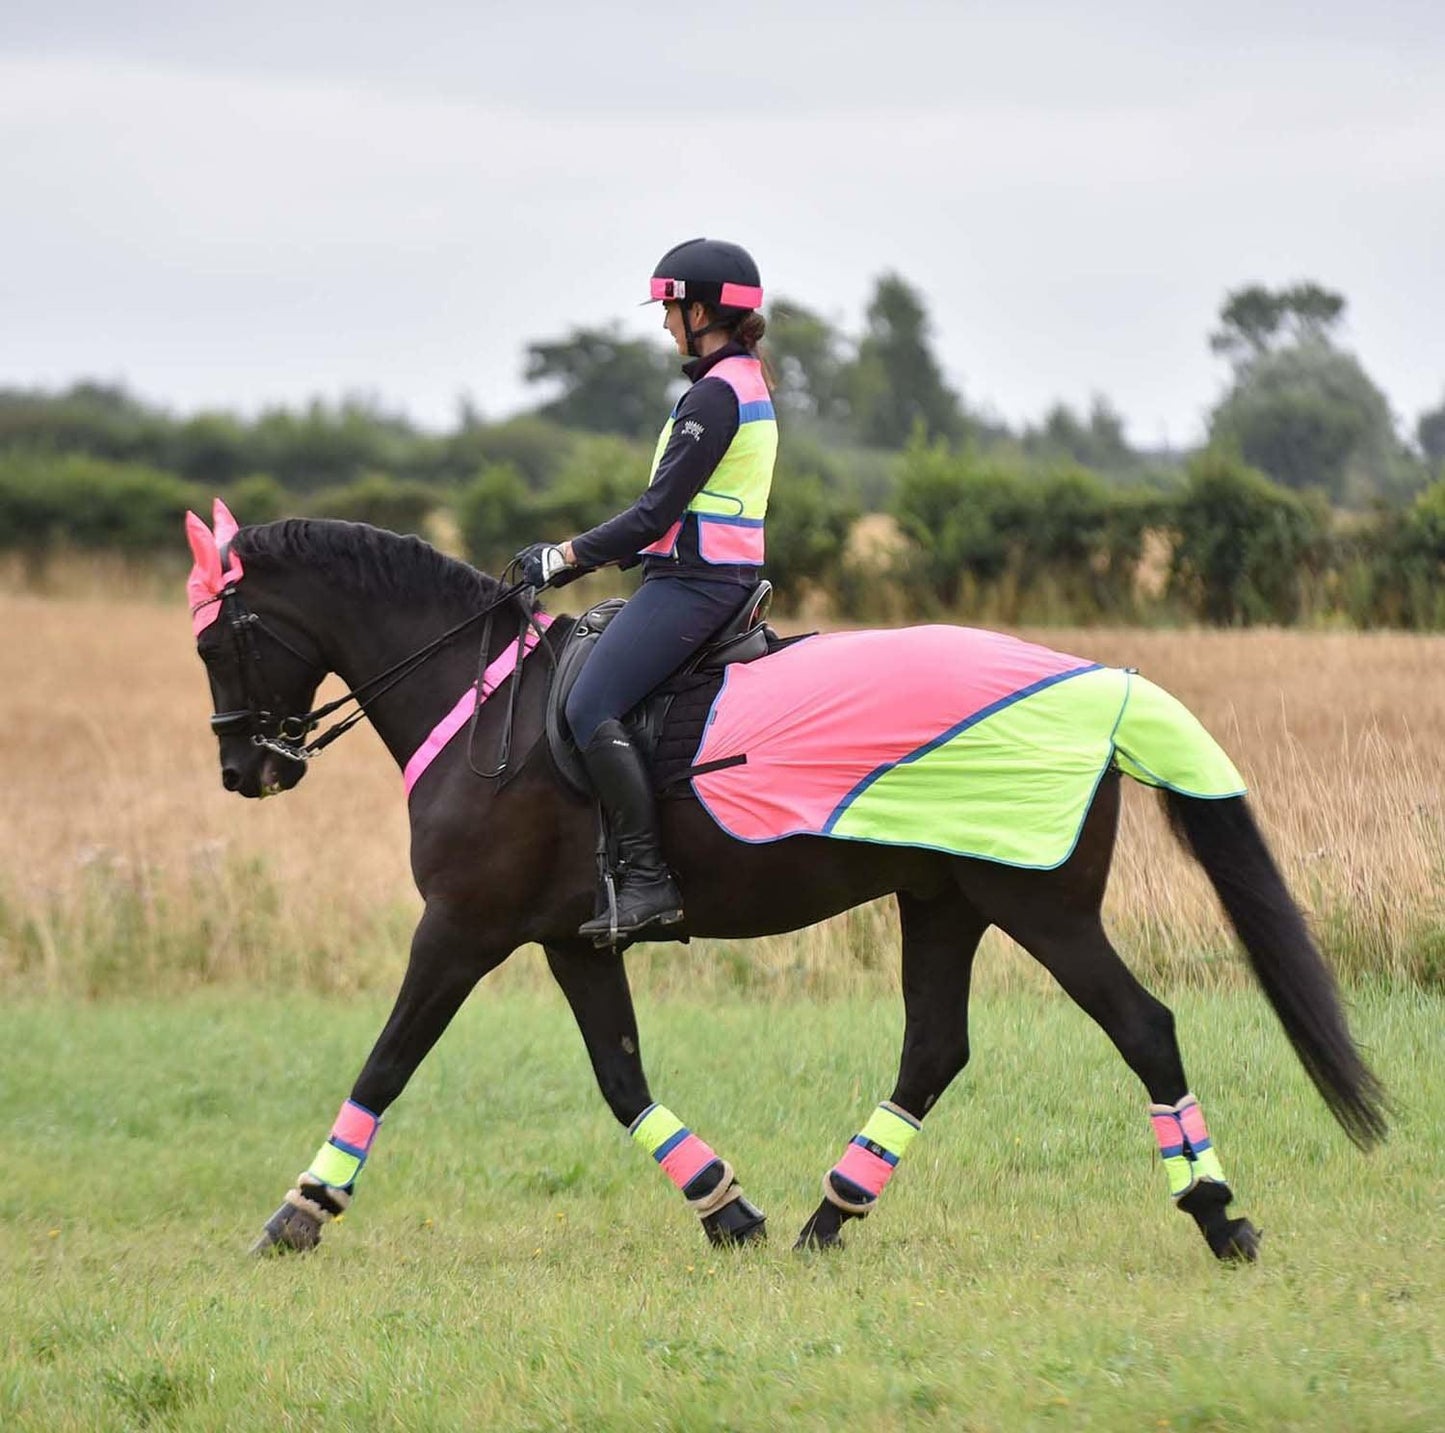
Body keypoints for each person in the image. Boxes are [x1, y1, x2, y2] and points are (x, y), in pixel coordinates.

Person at [517, 238, 778, 941]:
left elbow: (653, 514)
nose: (664, 325)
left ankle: (646, 878)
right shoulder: (736, 382)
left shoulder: (715, 395)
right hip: (697, 577)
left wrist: (561, 557)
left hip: (696, 584)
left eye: (669, 311)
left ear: (700, 311)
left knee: (589, 701)